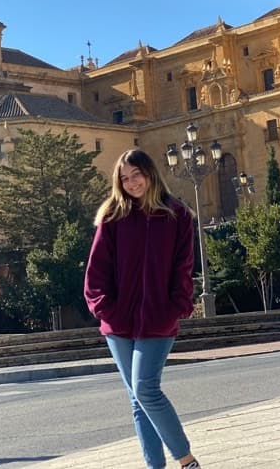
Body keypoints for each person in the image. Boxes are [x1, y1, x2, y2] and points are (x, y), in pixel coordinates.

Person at [84, 148, 201, 469]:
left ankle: (187, 461)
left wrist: (175, 307)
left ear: (150, 174)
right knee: (137, 400)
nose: (132, 182)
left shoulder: (177, 215)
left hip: (158, 319)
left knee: (146, 389)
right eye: (125, 178)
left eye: (136, 175)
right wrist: (107, 310)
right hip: (118, 323)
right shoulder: (112, 217)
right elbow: (95, 273)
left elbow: (183, 268)